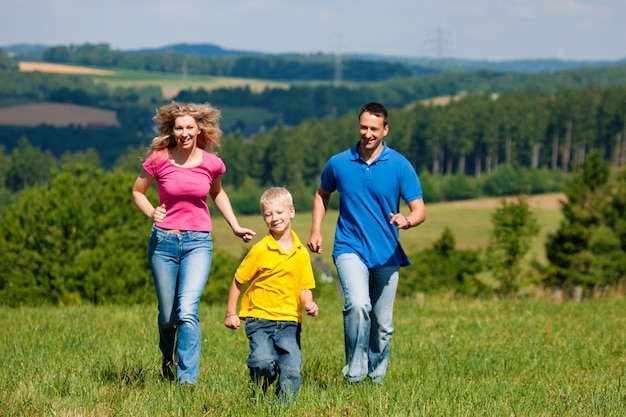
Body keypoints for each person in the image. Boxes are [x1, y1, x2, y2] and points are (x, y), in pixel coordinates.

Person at [131, 101, 256, 386]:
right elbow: (137, 192)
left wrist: (235, 226)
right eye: (179, 128)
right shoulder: (159, 159)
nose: (185, 133)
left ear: (199, 130)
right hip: (163, 242)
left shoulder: (211, 163)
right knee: (168, 315)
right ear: (172, 131)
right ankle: (167, 353)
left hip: (198, 242)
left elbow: (218, 195)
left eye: (190, 128)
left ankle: (186, 381)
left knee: (187, 309)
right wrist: (151, 211)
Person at [307, 102, 426, 384]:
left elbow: (419, 209)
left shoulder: (399, 165)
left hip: (387, 253)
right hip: (350, 247)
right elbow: (322, 194)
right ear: (358, 126)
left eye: (374, 128)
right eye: (363, 127)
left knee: (382, 326)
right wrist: (315, 230)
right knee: (358, 305)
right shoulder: (339, 162)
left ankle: (376, 379)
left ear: (385, 130)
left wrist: (406, 220)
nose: (368, 133)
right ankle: (355, 374)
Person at [224, 187, 319, 403]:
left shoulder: (301, 252)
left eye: (279, 212)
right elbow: (239, 280)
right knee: (261, 362)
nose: (274, 218)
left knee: (292, 369)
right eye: (268, 214)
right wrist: (231, 313)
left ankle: (281, 408)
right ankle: (258, 391)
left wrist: (309, 304)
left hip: (290, 322)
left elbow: (305, 287)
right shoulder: (259, 250)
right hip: (260, 319)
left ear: (292, 212)